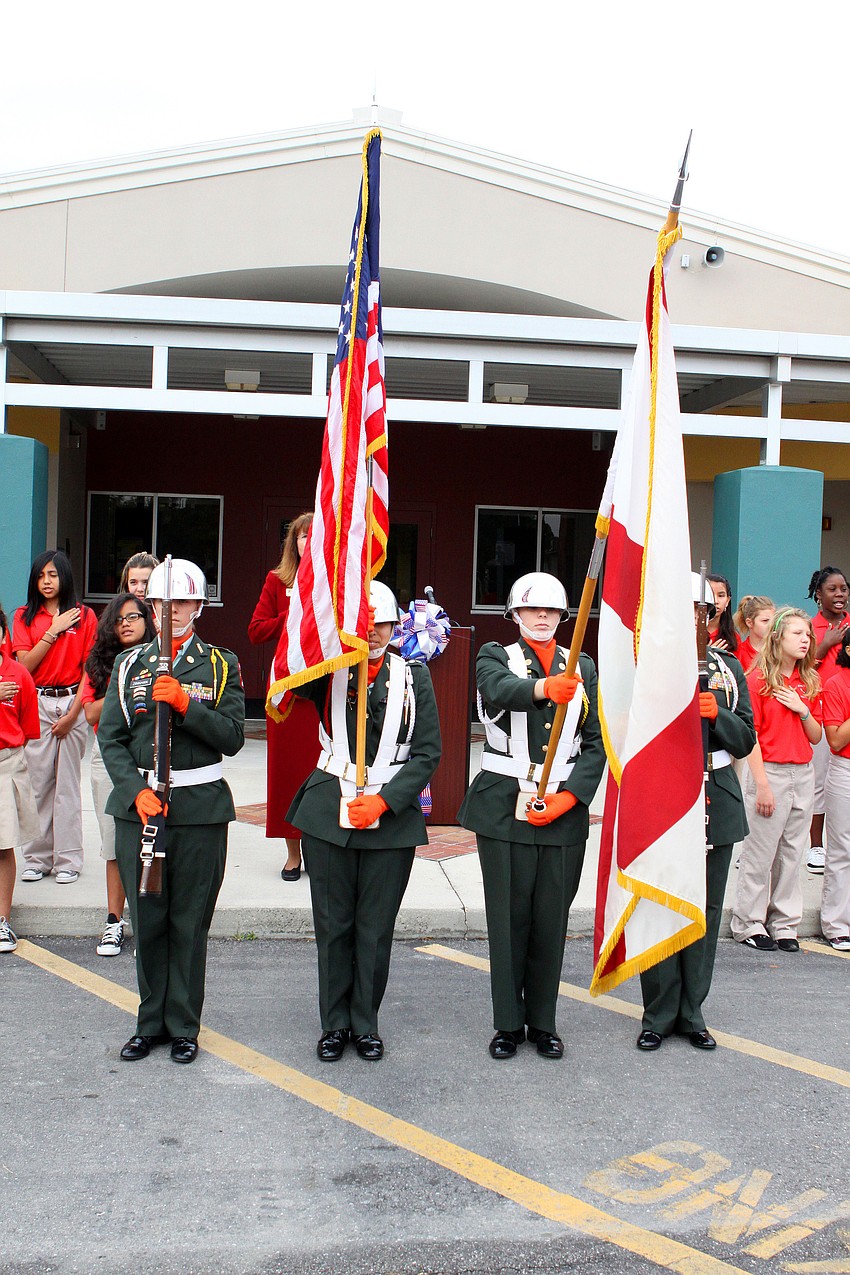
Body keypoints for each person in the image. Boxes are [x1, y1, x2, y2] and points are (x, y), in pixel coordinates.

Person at [99, 558, 245, 1064]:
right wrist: (131, 790)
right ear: (149, 605)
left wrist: (186, 704)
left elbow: (232, 737)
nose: (170, 611)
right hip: (140, 807)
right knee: (149, 918)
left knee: (189, 920)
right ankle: (149, 1022)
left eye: (181, 602)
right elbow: (112, 739)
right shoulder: (129, 665)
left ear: (199, 606)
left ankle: (184, 1025)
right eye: (161, 602)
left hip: (200, 810)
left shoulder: (221, 664)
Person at [287, 580, 441, 1062]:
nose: (372, 631)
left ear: (395, 627)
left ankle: (365, 1022)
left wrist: (386, 801)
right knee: (333, 924)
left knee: (375, 926)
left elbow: (427, 752)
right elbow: (292, 660)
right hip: (329, 804)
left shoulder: (414, 677)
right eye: (363, 621)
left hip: (389, 817)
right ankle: (334, 1024)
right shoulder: (326, 671)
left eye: (381, 623)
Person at [458, 572, 605, 1061]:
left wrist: (572, 798)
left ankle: (543, 1021)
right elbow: (499, 691)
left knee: (550, 920)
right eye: (531, 611)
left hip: (561, 805)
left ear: (564, 617)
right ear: (515, 615)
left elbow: (596, 742)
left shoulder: (582, 663)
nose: (541, 619)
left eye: (550, 612)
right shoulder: (495, 655)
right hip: (504, 805)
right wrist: (545, 687)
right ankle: (507, 1024)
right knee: (508, 919)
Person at [637, 575, 756, 1052]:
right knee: (661, 903)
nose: (694, 619)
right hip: (666, 794)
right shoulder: (648, 667)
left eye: (701, 611)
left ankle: (692, 1011)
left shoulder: (727, 669)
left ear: (713, 617)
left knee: (704, 910)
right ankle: (658, 1012)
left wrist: (716, 715)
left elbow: (745, 737)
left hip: (716, 792)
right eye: (684, 610)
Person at [731, 607, 822, 953]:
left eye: (808, 635)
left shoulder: (808, 680)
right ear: (778, 638)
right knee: (760, 853)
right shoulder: (757, 681)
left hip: (803, 773)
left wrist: (803, 710)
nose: (805, 640)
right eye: (797, 633)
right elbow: (749, 735)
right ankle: (749, 922)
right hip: (769, 770)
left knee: (791, 853)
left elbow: (815, 737)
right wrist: (762, 784)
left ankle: (785, 923)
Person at [13, 549, 97, 884]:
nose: (47, 582)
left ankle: (68, 861)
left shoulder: (85, 616)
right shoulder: (23, 616)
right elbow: (23, 668)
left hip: (73, 701)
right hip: (37, 702)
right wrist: (54, 630)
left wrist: (74, 714)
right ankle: (36, 858)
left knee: (67, 787)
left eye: (53, 575)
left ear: (65, 577)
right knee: (38, 784)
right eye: (41, 576)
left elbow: (90, 671)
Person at [80, 594, 156, 957]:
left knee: (151, 844)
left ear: (147, 620)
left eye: (134, 616)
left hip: (152, 757)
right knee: (114, 844)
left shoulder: (160, 658)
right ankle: (114, 922)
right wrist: (122, 680)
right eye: (119, 618)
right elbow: (92, 714)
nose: (126, 623)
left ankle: (147, 926)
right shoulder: (99, 664)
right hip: (109, 759)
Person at [248, 513, 319, 881]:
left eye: (315, 535)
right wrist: (291, 616)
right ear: (293, 543)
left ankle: (320, 848)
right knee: (288, 774)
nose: (308, 541)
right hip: (288, 696)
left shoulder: (334, 585)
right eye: (302, 536)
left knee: (322, 775)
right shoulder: (277, 582)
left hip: (324, 692)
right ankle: (293, 853)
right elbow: (256, 630)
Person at [0, 605, 41, 953]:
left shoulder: (18, 675)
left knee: (3, 845)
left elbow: (28, 730)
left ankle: (2, 920)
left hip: (6, 764)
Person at [805, 566, 849, 873]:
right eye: (832, 589)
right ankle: (816, 846)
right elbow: (801, 666)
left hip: (847, 715)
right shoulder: (809, 627)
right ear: (818, 595)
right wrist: (827, 643)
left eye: (844, 589)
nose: (840, 594)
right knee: (820, 781)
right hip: (821, 715)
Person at [821, 631, 850, 950]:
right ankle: (836, 924)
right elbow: (837, 740)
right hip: (845, 769)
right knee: (842, 849)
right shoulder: (836, 683)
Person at [733, 595, 776, 675]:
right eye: (765, 621)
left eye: (774, 621)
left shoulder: (780, 650)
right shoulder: (739, 653)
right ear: (750, 623)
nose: (771, 625)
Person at [707, 573, 739, 655]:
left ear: (727, 600)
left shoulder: (734, 638)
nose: (715, 601)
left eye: (720, 595)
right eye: (710, 594)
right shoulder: (690, 633)